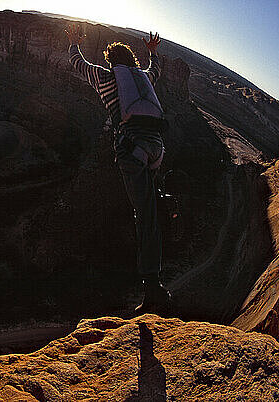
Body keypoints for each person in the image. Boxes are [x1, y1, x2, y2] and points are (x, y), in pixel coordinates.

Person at [65, 24, 171, 315]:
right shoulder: (145, 79)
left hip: (132, 152)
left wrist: (74, 42)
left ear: (112, 61)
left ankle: (152, 290)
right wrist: (152, 53)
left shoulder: (106, 77)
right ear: (132, 62)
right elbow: (156, 70)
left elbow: (78, 64)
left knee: (144, 218)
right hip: (157, 150)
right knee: (150, 212)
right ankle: (155, 278)